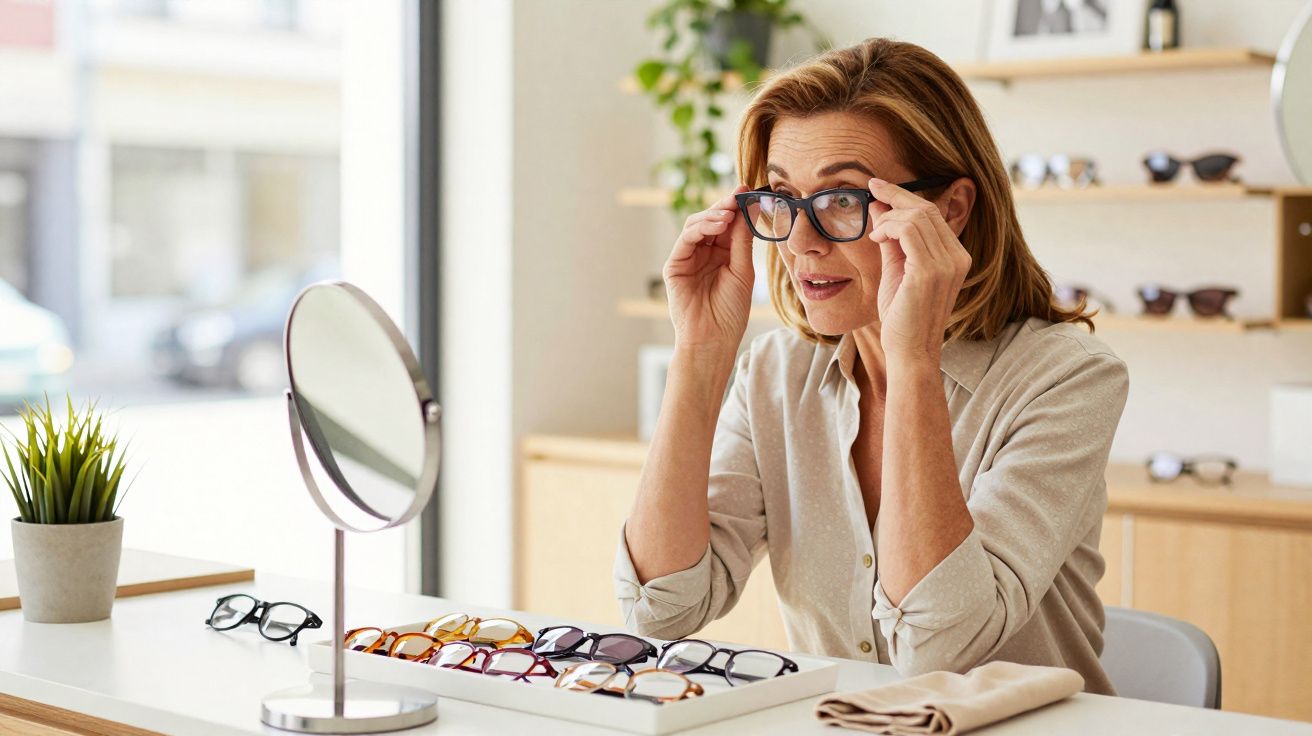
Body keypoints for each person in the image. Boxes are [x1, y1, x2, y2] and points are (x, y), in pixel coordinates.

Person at [613, 37, 1129, 695]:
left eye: (842, 201)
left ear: (948, 210)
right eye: (781, 198)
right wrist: (699, 354)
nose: (801, 242)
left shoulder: (1067, 378)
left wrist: (913, 360)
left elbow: (940, 643)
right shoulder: (776, 372)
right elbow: (662, 608)